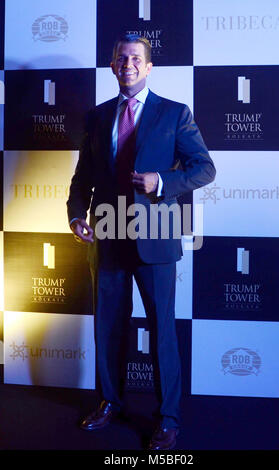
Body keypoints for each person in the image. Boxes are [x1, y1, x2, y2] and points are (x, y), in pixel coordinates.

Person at [67, 34, 216, 450]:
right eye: (121, 58)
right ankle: (110, 402)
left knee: (162, 330)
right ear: (112, 66)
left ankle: (167, 418)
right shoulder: (96, 118)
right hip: (108, 237)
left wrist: (163, 182)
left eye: (136, 58)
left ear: (148, 68)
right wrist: (78, 215)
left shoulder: (174, 113)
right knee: (108, 327)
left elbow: (205, 169)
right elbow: (82, 180)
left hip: (155, 239)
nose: (127, 64)